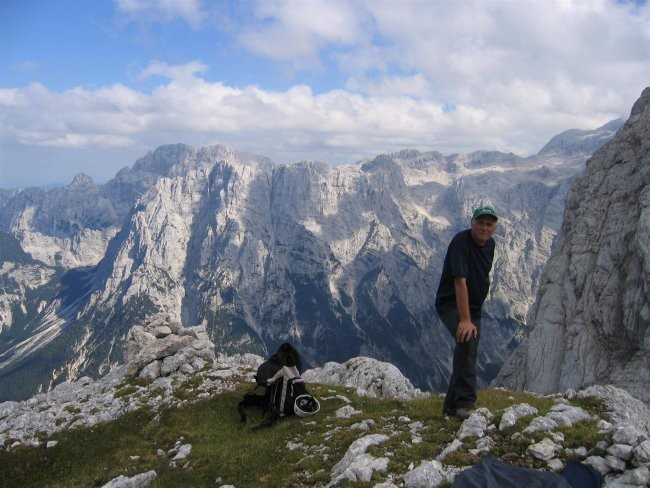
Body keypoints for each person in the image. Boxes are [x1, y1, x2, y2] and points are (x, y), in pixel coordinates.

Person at [435, 205, 498, 419]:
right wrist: (464, 320)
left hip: (474, 308)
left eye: (489, 224)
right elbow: (459, 282)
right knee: (467, 339)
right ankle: (466, 404)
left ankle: (450, 409)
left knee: (468, 353)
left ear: (494, 228)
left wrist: (473, 314)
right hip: (452, 303)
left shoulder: (490, 245)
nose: (484, 228)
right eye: (480, 223)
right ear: (471, 223)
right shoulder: (461, 242)